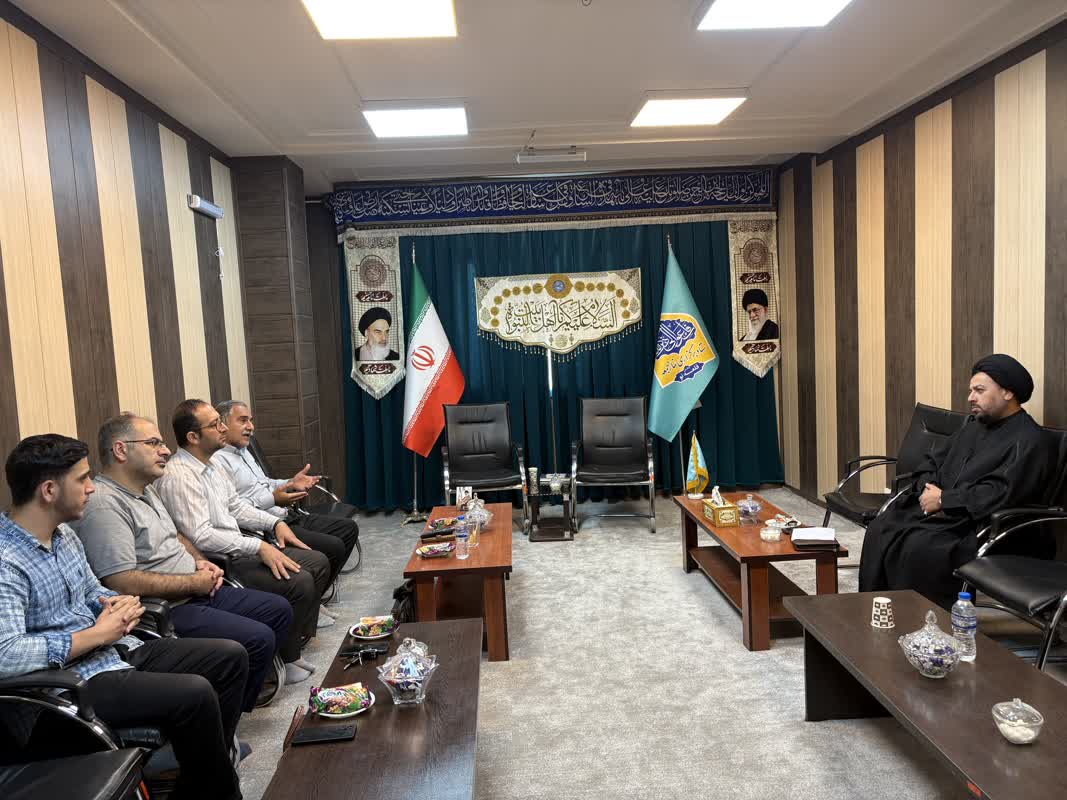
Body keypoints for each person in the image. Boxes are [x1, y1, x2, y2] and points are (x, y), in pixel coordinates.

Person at [0, 434, 247, 800]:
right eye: (82, 479)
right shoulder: (6, 561)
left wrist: (117, 605)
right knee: (195, 694)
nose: (91, 488)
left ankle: (203, 772)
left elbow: (92, 591)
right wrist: (97, 635)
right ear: (49, 490)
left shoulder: (63, 534)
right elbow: (6, 654)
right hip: (65, 688)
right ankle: (215, 782)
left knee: (230, 658)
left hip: (111, 652)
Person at [75, 412, 294, 711]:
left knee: (278, 609)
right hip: (166, 609)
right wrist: (193, 582)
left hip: (197, 587)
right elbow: (120, 581)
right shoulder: (104, 504)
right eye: (153, 443)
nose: (165, 450)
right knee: (257, 638)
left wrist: (200, 561)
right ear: (121, 450)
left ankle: (229, 702)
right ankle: (221, 716)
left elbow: (176, 534)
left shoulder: (146, 488)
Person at [858, 354, 1057, 608]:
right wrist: (928, 489)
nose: (971, 397)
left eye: (979, 390)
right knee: (882, 527)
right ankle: (878, 609)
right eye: (971, 390)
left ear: (1008, 392)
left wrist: (944, 500)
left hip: (984, 526)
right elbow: (932, 461)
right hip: (946, 515)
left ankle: (923, 620)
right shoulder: (974, 426)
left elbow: (1001, 492)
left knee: (919, 547)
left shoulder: (1030, 440)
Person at [154, 399, 330, 684]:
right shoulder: (179, 476)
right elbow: (201, 536)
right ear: (193, 437)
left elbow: (236, 507)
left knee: (317, 561)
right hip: (219, 561)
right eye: (215, 424)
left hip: (239, 544)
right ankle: (280, 660)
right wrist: (258, 546)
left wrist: (274, 523)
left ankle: (290, 647)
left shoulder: (213, 464)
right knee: (299, 580)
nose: (223, 428)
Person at [213, 399, 359, 587]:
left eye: (251, 420)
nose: (251, 427)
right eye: (243, 420)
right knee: (332, 547)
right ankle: (313, 593)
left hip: (286, 514)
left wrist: (291, 483)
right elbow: (234, 509)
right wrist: (272, 499)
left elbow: (266, 482)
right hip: (267, 528)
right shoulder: (218, 461)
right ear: (222, 425)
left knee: (348, 528)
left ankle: (318, 592)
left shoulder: (243, 450)